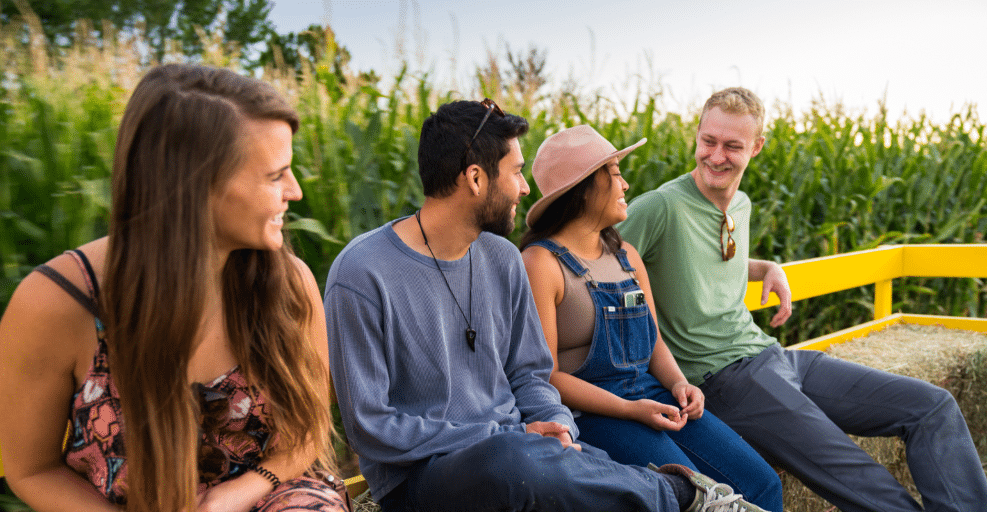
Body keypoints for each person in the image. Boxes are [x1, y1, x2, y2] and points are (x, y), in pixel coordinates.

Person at [325, 99, 770, 512]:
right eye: (515, 172)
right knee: (513, 460)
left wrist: (559, 426)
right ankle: (683, 496)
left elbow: (531, 375)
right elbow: (371, 426)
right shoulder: (363, 273)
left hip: (525, 455)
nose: (523, 188)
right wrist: (510, 436)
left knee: (555, 463)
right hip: (426, 475)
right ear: (476, 178)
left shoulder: (501, 260)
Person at [617, 86, 987, 512]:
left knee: (932, 406)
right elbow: (592, 259)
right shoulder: (661, 207)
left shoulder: (738, 204)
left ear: (757, 147)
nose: (716, 156)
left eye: (733, 146)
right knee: (858, 472)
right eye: (709, 141)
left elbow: (696, 259)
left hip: (775, 356)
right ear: (697, 136)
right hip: (725, 380)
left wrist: (766, 268)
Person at [0, 64, 349, 512]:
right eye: (274, 175)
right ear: (197, 187)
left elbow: (309, 433)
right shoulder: (58, 303)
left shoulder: (290, 285)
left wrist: (229, 497)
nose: (296, 191)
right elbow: (31, 469)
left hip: (273, 492)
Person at [519, 125, 783, 511]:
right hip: (593, 411)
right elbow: (547, 375)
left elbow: (653, 339)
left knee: (762, 484)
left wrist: (679, 384)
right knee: (699, 496)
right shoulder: (541, 263)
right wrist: (629, 409)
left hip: (653, 396)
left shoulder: (626, 254)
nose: (625, 184)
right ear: (584, 188)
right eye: (614, 173)